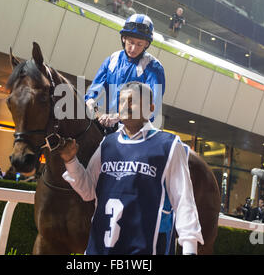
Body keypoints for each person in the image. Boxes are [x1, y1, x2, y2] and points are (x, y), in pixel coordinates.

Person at [60, 82, 203, 255]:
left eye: (132, 101)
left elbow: (183, 200)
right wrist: (70, 160)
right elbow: (88, 190)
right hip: (99, 250)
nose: (125, 106)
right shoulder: (107, 144)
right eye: (121, 101)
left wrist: (189, 249)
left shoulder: (169, 145)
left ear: (150, 108)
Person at [85, 14, 165, 131]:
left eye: (139, 44)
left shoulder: (154, 68)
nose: (133, 49)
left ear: (146, 44)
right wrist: (90, 100)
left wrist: (119, 117)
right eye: (130, 42)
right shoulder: (112, 59)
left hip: (134, 132)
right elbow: (95, 88)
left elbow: (152, 108)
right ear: (123, 38)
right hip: (105, 124)